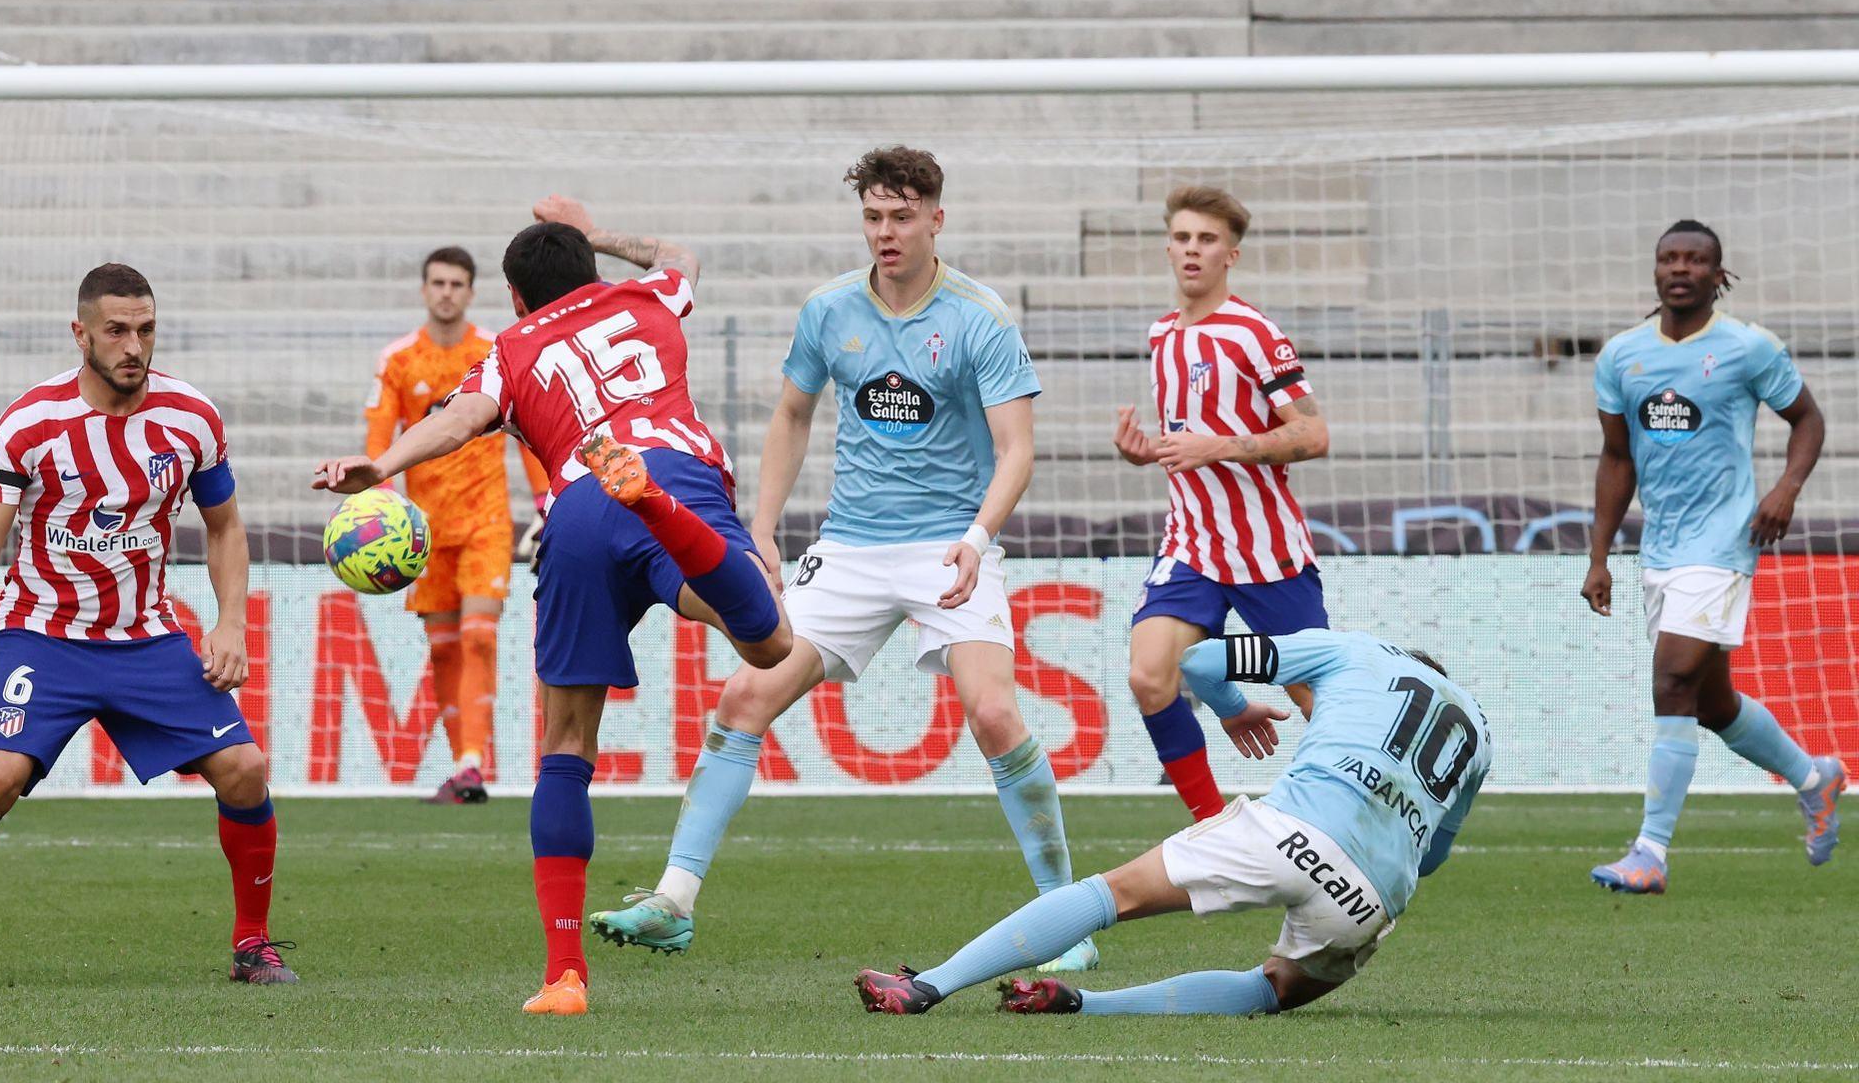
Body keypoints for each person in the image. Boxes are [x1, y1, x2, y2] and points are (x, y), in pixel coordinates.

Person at [591, 145, 1095, 974]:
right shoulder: (829, 309)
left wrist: (975, 538)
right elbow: (792, 414)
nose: (886, 232)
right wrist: (761, 529)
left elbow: (1017, 449)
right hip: (852, 547)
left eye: (902, 216)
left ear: (937, 217)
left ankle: (1065, 921)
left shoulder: (980, 316)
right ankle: (672, 902)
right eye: (873, 216)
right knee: (746, 692)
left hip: (948, 549)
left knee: (996, 715)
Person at [315, 199, 790, 1016]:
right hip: (665, 472)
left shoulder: (508, 348)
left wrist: (381, 465)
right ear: (593, 270)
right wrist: (596, 229)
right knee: (771, 643)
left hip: (574, 511)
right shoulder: (649, 298)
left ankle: (564, 976)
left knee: (564, 747)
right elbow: (683, 250)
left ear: (511, 293)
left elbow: (461, 419)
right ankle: (672, 526)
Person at [0, 264, 293, 987]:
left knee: (247, 769)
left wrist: (231, 622)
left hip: (144, 636)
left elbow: (224, 529)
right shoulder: (31, 423)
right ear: (82, 334)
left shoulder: (192, 418)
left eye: (147, 329)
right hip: (41, 632)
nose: (135, 345)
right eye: (118, 330)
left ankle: (253, 944)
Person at [856, 628, 1489, 1018]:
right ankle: (1083, 1006)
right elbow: (1430, 857)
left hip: (1287, 831)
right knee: (1276, 989)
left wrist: (1236, 711)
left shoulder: (1356, 650)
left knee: (1113, 893)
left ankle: (928, 987)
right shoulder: (1480, 736)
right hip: (1369, 899)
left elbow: (1201, 661)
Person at [1584, 220, 1843, 893]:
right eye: (1670, 257)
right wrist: (1600, 554)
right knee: (1709, 701)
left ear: (1716, 273)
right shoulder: (1621, 357)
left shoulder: (1747, 347)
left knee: (1671, 679)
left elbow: (1808, 420)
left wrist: (1785, 488)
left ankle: (1650, 852)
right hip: (1662, 548)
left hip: (1726, 541)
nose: (1681, 268)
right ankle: (1816, 778)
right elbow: (1616, 457)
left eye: (1695, 259)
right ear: (1655, 271)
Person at [1112, 185, 1330, 820]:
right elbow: (1188, 438)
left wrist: (1219, 448)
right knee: (1149, 676)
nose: (1191, 250)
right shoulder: (1162, 335)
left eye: (1206, 240)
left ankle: (1343, 824)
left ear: (1230, 254)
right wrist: (1144, 451)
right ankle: (1213, 825)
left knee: (1319, 703)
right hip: (1191, 547)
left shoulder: (1254, 333)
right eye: (1182, 238)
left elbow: (1313, 434)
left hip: (1267, 551)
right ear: (1167, 246)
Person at [365, 245, 549, 803]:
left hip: (486, 521)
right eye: (437, 283)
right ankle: (462, 766)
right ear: (425, 290)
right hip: (420, 532)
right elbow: (379, 440)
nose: (446, 292)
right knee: (443, 647)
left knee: (477, 635)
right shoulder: (398, 360)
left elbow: (527, 432)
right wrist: (381, 501)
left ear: (471, 293)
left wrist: (546, 502)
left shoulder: (494, 352)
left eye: (456, 284)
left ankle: (473, 762)